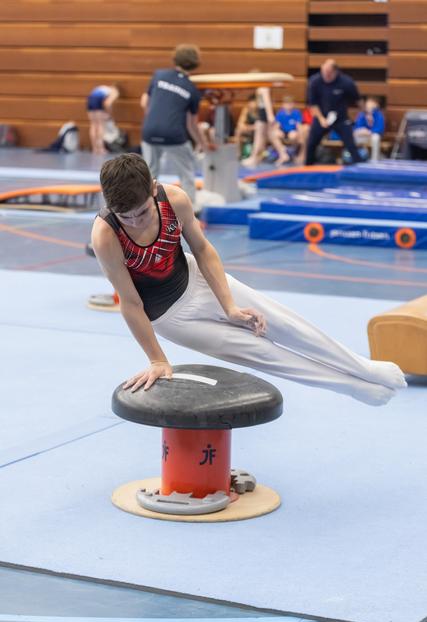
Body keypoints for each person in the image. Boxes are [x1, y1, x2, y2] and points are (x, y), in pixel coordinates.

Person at [91, 153, 407, 406]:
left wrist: (228, 306)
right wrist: (157, 358)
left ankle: (363, 368)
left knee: (285, 324)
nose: (134, 221)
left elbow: (202, 249)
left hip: (197, 278)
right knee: (265, 354)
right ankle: (352, 387)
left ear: (153, 188)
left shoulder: (174, 199)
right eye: (126, 217)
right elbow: (131, 303)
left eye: (142, 212)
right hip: (169, 317)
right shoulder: (106, 236)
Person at [140, 44, 206, 208]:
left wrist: (155, 121)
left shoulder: (159, 75)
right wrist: (203, 144)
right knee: (186, 172)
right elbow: (192, 124)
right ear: (195, 63)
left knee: (151, 173)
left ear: (175, 58)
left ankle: (146, 207)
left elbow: (144, 103)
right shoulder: (192, 89)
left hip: (150, 130)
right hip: (173, 134)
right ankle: (191, 208)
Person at [305, 59, 363, 165]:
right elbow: (313, 104)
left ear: (335, 72)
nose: (326, 76)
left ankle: (359, 166)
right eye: (324, 72)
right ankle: (307, 167)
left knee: (350, 143)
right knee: (311, 143)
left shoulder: (346, 82)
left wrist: (363, 114)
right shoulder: (315, 81)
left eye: (329, 73)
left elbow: (358, 101)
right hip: (322, 116)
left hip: (340, 118)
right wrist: (321, 119)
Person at [242, 86, 290, 168]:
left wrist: (270, 115)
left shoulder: (263, 88)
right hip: (263, 113)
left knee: (259, 137)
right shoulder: (261, 88)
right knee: (270, 136)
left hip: (264, 114)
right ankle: (282, 153)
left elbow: (267, 102)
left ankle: (254, 157)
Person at [87, 85, 120, 154]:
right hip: (97, 99)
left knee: (93, 125)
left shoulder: (104, 88)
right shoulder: (115, 92)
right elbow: (107, 103)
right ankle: (101, 148)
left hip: (90, 99)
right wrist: (109, 114)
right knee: (100, 125)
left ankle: (94, 148)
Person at [275, 96, 307, 165]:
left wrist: (300, 136)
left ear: (293, 104)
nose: (288, 106)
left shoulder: (296, 113)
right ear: (283, 105)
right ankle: (282, 153)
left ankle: (293, 152)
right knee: (274, 133)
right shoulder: (280, 113)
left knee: (293, 135)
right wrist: (278, 131)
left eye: (290, 104)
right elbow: (277, 125)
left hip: (293, 132)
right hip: (283, 132)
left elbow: (299, 126)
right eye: (286, 104)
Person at [354, 96, 385, 162]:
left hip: (372, 135)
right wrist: (361, 130)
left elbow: (380, 128)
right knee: (352, 136)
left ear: (376, 105)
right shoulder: (362, 114)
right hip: (363, 135)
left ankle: (374, 159)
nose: (369, 105)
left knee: (375, 137)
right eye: (368, 103)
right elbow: (357, 125)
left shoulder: (379, 115)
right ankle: (354, 157)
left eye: (371, 103)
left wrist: (370, 132)